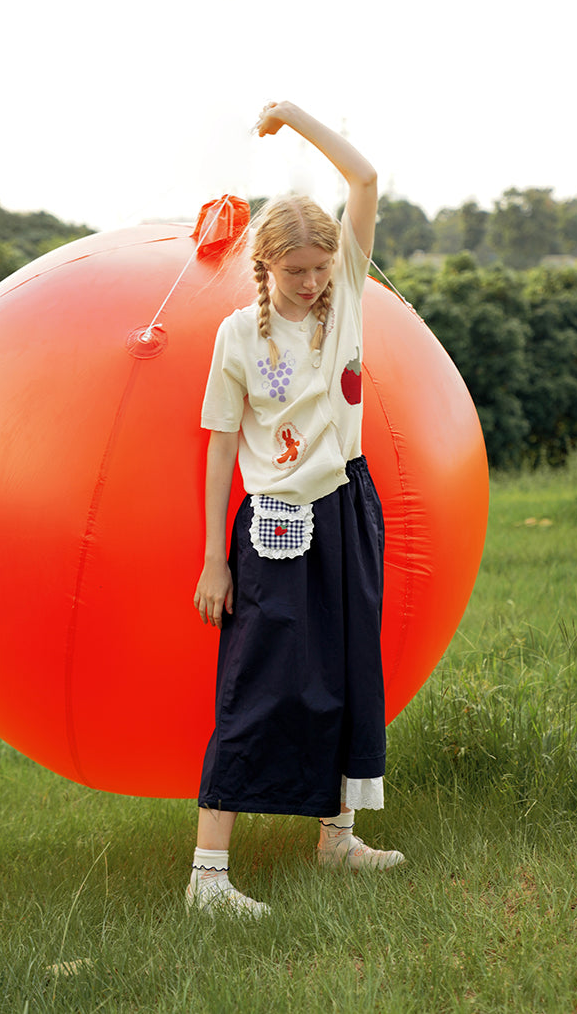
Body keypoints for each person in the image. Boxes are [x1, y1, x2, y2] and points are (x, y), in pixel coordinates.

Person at [188, 101, 404, 918]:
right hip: (273, 526)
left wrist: (294, 119)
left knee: (348, 673)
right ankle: (208, 876)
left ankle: (336, 836)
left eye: (321, 268)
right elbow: (217, 448)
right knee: (259, 688)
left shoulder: (346, 293)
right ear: (267, 266)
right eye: (297, 272)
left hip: (348, 508)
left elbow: (366, 177)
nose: (312, 283)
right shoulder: (237, 337)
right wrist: (215, 556)